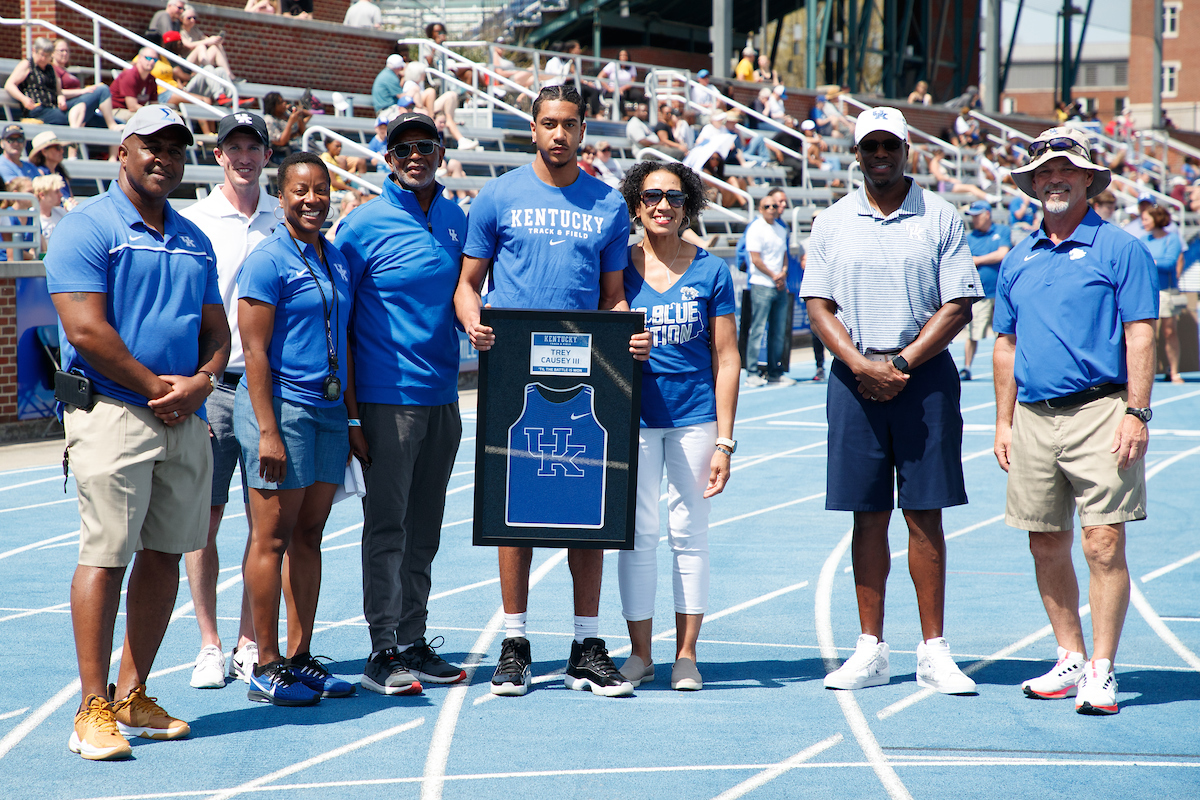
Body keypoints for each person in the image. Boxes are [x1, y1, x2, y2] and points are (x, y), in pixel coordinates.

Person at [45, 104, 230, 760]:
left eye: (176, 149)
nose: (165, 158)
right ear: (120, 152)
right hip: (115, 413)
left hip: (182, 414)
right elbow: (85, 330)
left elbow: (217, 330)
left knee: (166, 556)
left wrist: (203, 381)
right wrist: (160, 388)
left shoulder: (193, 237)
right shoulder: (87, 229)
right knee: (106, 554)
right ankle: (92, 709)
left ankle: (133, 694)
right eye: (151, 146)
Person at [454, 84, 650, 698]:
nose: (559, 134)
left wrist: (629, 339)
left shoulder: (608, 204)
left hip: (586, 373)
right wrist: (472, 322)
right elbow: (468, 284)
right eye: (548, 124)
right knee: (514, 505)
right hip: (513, 371)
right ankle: (514, 641)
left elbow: (614, 296)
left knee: (582, 505)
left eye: (569, 124)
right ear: (532, 130)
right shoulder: (498, 195)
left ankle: (586, 644)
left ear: (584, 130)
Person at [801, 107, 982, 695]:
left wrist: (902, 364)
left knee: (924, 514)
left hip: (922, 379)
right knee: (867, 514)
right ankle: (871, 649)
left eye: (891, 145)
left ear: (908, 149)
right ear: (856, 153)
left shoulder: (941, 216)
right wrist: (859, 364)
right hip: (854, 380)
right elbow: (818, 304)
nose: (880, 154)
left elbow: (957, 304)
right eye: (870, 146)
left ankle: (933, 650)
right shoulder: (831, 222)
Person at [992, 127, 1157, 715]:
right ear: (1033, 184)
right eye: (1043, 172)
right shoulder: (1019, 256)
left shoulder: (1121, 249)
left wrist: (1137, 411)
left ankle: (1104, 668)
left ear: (1088, 178)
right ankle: (1069, 655)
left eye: (1066, 170)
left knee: (1103, 541)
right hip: (1034, 417)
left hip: (1102, 410)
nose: (1054, 179)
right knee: (1044, 543)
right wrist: (1003, 422)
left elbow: (1141, 331)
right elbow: (1005, 346)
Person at [334, 111, 469, 695]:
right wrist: (353, 412)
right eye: (404, 147)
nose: (417, 154)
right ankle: (381, 648)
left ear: (441, 152)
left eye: (427, 145)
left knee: (426, 528)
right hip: (388, 401)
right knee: (387, 526)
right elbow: (338, 320)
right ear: (387, 157)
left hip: (443, 395)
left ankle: (413, 638)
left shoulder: (456, 218)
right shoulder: (361, 225)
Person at [235, 152, 360, 706]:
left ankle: (300, 656)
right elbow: (254, 351)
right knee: (273, 537)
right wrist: (267, 430)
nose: (313, 199)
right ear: (280, 197)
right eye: (300, 190)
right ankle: (264, 664)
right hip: (279, 411)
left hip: (329, 412)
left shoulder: (334, 257)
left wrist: (352, 418)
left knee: (310, 536)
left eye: (322, 189)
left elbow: (346, 340)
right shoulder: (266, 260)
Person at [616, 160, 740, 692]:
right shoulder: (616, 266)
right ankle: (640, 653)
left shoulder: (712, 271)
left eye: (673, 196)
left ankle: (686, 654)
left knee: (689, 535)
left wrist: (725, 441)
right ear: (636, 204)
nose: (662, 205)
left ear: (689, 203)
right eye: (651, 196)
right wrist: (623, 342)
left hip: (694, 419)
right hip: (631, 420)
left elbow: (728, 358)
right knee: (636, 536)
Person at [179, 111, 278, 689]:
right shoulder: (195, 221)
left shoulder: (285, 217)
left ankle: (248, 639)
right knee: (204, 521)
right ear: (219, 155)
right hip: (214, 386)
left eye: (253, 147)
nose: (243, 157)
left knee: (265, 522)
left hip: (268, 389)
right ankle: (209, 644)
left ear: (267, 155)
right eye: (233, 147)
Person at [743, 190, 796, 387]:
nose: (772, 209)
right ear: (760, 209)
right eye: (767, 206)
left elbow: (784, 255)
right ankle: (752, 372)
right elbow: (755, 259)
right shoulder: (755, 228)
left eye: (774, 206)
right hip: (761, 285)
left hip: (779, 285)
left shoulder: (781, 229)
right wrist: (774, 275)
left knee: (778, 331)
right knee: (757, 330)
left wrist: (782, 272)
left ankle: (775, 372)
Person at [960, 200, 1011, 381]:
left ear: (987, 214)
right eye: (972, 216)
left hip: (1001, 293)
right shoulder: (969, 237)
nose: (974, 219)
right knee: (974, 333)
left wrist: (978, 260)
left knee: (1006, 333)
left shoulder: (1002, 231)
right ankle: (966, 367)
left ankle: (1008, 367)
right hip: (979, 293)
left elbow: (1002, 253)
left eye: (976, 215)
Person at [1140, 204, 1185, 383]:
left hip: (1166, 291)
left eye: (1145, 219)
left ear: (1156, 219)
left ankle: (1174, 371)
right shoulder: (1143, 239)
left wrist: (1149, 261)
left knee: (1168, 332)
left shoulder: (1172, 239)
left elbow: (1170, 263)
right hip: (1148, 291)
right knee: (1147, 333)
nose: (1142, 223)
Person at [401, 62, 478, 151]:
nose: (424, 75)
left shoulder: (418, 85)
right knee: (431, 91)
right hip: (422, 112)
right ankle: (449, 128)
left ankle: (450, 122)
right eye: (423, 73)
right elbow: (406, 103)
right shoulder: (411, 85)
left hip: (427, 110)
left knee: (451, 95)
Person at [51, 39, 121, 130]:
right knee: (102, 90)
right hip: (70, 108)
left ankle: (113, 126)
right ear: (52, 53)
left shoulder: (66, 71)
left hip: (81, 106)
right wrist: (83, 91)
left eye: (67, 51)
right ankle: (112, 124)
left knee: (121, 123)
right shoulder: (52, 69)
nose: (65, 53)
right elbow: (58, 92)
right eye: (61, 50)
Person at [4, 37, 69, 126]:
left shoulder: (51, 69)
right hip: (36, 109)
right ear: (34, 51)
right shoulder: (28, 64)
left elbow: (59, 91)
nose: (44, 59)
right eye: (42, 55)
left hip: (52, 108)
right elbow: (9, 85)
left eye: (47, 56)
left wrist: (61, 97)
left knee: (90, 117)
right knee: (63, 118)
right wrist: (23, 99)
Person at [179, 6, 233, 78]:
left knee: (215, 47)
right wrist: (208, 40)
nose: (192, 20)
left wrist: (216, 40)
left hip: (200, 63)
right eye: (189, 18)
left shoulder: (195, 30)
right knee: (200, 47)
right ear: (181, 19)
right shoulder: (180, 31)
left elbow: (206, 40)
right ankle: (210, 72)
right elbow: (189, 45)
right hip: (187, 64)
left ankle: (229, 74)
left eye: (194, 18)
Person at [110, 48, 159, 122]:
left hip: (135, 112)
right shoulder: (129, 75)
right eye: (148, 58)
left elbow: (154, 104)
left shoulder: (151, 79)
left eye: (155, 60)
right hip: (116, 111)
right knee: (146, 120)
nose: (152, 61)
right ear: (139, 58)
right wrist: (151, 114)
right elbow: (132, 106)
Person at [263, 91, 311, 162]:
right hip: (286, 152)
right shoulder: (269, 120)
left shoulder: (287, 113)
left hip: (301, 144)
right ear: (273, 106)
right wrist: (290, 122)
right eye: (280, 102)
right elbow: (281, 142)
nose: (284, 103)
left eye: (283, 101)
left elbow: (303, 132)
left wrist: (299, 115)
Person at [32, 172, 67, 245]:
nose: (61, 195)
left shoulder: (62, 213)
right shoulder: (31, 216)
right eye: (56, 192)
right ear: (42, 195)